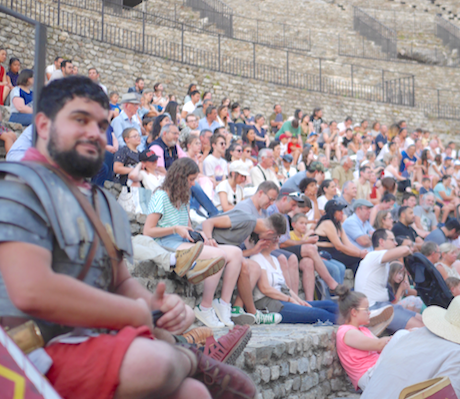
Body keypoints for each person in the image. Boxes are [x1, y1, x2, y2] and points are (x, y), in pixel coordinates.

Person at [0, 76, 255, 399]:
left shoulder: (102, 203)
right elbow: (32, 291)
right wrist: (138, 315)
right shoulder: (15, 187)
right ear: (43, 125)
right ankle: (193, 354)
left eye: (102, 124)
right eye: (80, 119)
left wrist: (161, 307)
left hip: (88, 340)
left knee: (194, 394)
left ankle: (188, 355)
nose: (95, 131)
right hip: (24, 356)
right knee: (155, 363)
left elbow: (120, 283)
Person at [143, 158, 241, 328]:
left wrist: (203, 236)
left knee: (235, 253)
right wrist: (174, 229)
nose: (193, 183)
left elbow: (187, 228)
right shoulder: (160, 195)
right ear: (180, 178)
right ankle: (205, 306)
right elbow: (148, 231)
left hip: (183, 241)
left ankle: (224, 304)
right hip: (165, 243)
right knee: (219, 255)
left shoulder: (184, 197)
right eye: (191, 179)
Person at [249, 226, 339, 324]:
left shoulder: (274, 259)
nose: (278, 240)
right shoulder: (257, 258)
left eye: (278, 237)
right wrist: (290, 300)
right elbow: (265, 288)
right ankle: (350, 324)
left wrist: (299, 300)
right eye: (274, 238)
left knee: (329, 305)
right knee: (320, 314)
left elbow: (285, 287)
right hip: (270, 304)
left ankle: (352, 320)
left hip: (282, 299)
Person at [354, 229, 424, 333]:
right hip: (375, 308)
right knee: (422, 328)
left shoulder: (378, 259)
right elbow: (404, 250)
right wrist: (410, 249)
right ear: (381, 242)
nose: (396, 243)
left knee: (424, 321)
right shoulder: (374, 255)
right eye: (392, 240)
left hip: (384, 305)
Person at [336, 286, 392, 391]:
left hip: (378, 369)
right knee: (401, 336)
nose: (369, 312)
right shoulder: (347, 332)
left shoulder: (363, 330)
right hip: (370, 375)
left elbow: (382, 347)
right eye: (366, 309)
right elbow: (380, 345)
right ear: (354, 312)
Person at [314, 200, 368, 273]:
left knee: (357, 263)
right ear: (332, 212)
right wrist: (359, 254)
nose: (342, 213)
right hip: (324, 253)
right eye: (339, 211)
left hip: (334, 252)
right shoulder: (327, 223)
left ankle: (358, 283)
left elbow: (348, 244)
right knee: (358, 259)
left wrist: (361, 252)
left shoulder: (338, 224)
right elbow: (339, 246)